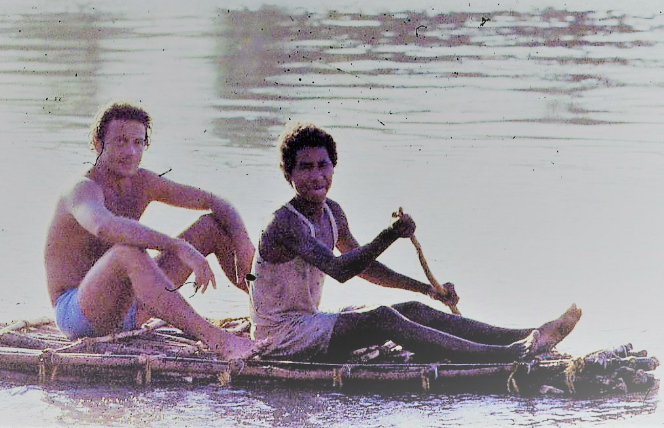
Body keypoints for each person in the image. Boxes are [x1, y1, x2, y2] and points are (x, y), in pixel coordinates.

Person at [249, 121, 582, 363]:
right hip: (278, 337)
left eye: (323, 165)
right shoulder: (284, 223)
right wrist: (391, 234)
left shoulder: (332, 212)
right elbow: (340, 270)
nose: (316, 175)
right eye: (305, 168)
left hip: (307, 324)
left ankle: (530, 334)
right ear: (289, 175)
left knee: (412, 310)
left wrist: (426, 289)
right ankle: (505, 355)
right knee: (383, 317)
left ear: (333, 167)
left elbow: (365, 267)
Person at [44, 101, 263, 360]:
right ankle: (217, 340)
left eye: (138, 143)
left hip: (129, 307)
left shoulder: (142, 181)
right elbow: (104, 226)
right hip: (78, 314)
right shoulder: (81, 188)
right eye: (121, 141)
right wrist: (178, 246)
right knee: (127, 251)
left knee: (210, 226)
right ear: (98, 143)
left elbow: (214, 201)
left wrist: (243, 244)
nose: (131, 152)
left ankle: (269, 312)